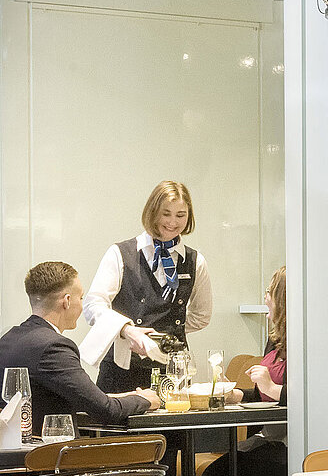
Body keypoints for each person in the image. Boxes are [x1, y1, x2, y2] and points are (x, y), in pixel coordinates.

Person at [84, 180, 214, 393]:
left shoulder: (195, 261)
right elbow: (93, 305)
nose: (173, 222)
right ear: (152, 212)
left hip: (173, 371)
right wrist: (126, 331)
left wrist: (168, 330)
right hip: (122, 368)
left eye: (180, 215)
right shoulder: (120, 254)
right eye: (166, 213)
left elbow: (202, 315)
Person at [0, 262, 159, 424]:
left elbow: (84, 398)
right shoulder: (54, 347)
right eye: (81, 297)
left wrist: (133, 396)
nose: (82, 305)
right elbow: (105, 410)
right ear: (67, 301)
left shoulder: (8, 339)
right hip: (52, 446)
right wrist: (145, 401)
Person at [203, 267, 288, 476]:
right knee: (218, 475)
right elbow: (266, 394)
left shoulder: (309, 341)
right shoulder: (275, 340)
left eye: (269, 292)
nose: (265, 299)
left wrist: (272, 387)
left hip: (292, 444)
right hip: (270, 436)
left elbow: (309, 396)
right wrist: (239, 395)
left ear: (283, 298)